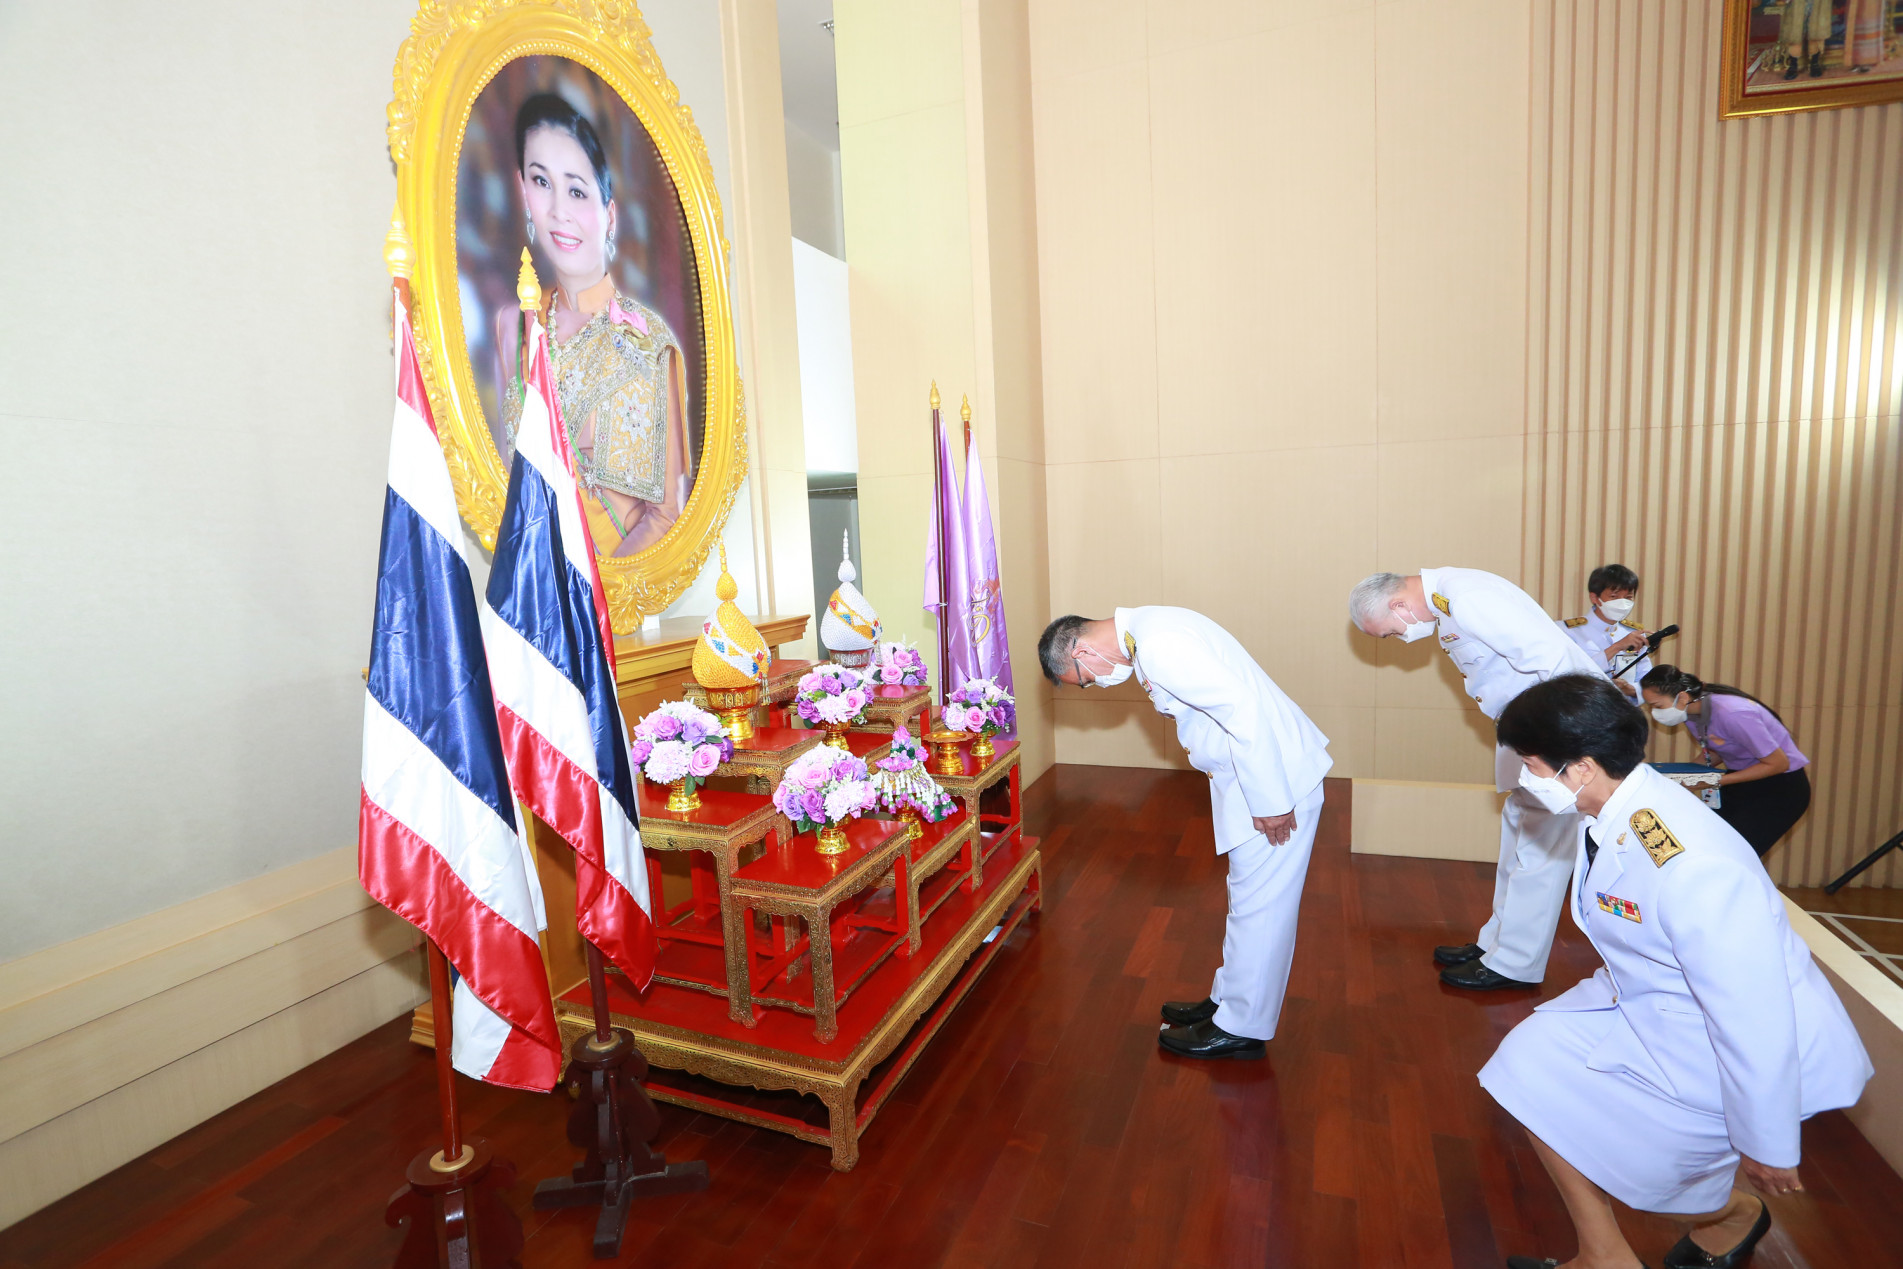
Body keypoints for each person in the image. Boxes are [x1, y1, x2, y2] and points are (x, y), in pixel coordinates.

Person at [1481, 674, 1871, 1269]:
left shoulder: (1692, 865)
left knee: (1649, 1172)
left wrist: (1766, 1141)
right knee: (1526, 1065)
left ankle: (1734, 1215)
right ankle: (1605, 1257)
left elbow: (1751, 1012)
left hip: (1733, 1045)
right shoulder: (1621, 808)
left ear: (1581, 768)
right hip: (1661, 1005)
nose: (1524, 778)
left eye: (1531, 766)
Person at [1038, 608, 1333, 1060]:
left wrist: (1272, 801)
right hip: (1255, 778)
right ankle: (1227, 1001)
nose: (1095, 684)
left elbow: (1244, 713)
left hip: (1272, 783)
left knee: (1262, 911)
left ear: (1082, 652)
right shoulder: (1148, 634)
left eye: (1084, 681)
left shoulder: (1160, 646)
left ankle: (1240, 1027)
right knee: (1247, 902)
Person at [1349, 569, 1608, 991]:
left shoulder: (1467, 598)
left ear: (1398, 605)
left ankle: (1515, 963)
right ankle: (1496, 945)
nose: (1400, 639)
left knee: (1541, 851)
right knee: (1517, 840)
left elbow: (1551, 660)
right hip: (1527, 728)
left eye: (1391, 632)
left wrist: (1558, 742)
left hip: (1556, 729)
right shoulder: (1448, 601)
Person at [495, 92, 689, 558]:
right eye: (542, 182)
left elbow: (665, 516)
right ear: (524, 192)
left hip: (610, 594)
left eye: (577, 191)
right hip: (531, 588)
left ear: (610, 214)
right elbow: (509, 486)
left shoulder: (649, 345)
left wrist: (590, 592)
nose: (558, 210)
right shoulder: (513, 326)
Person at [1641, 665, 1813, 859]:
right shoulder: (1690, 714)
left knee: (1736, 855)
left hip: (1779, 789)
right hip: (1741, 782)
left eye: (1657, 706)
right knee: (1708, 846)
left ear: (1682, 698)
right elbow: (1719, 749)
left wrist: (1714, 781)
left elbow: (1779, 763)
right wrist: (1683, 777)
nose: (1654, 713)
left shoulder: (1733, 713)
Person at [1558, 563, 1652, 700]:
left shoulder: (1634, 632)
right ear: (1594, 598)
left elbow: (1646, 679)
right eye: (1614, 596)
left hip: (1625, 709)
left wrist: (1631, 690)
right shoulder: (1567, 630)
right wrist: (1617, 646)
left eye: (1628, 598)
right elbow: (1568, 676)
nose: (1622, 603)